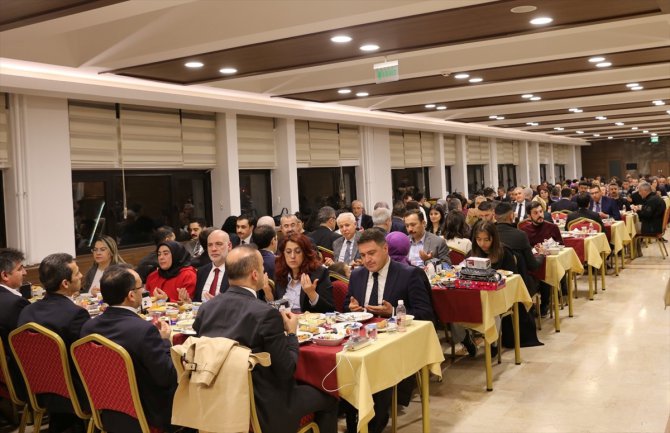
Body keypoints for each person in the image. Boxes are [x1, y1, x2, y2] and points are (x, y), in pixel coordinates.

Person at [193, 246, 338, 433]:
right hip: (262, 408)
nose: (265, 271)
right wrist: (292, 334)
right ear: (255, 275)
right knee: (330, 395)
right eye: (262, 268)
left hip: (216, 401)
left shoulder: (206, 308)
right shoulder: (265, 314)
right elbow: (286, 370)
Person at [344, 229, 434, 433]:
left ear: (385, 249)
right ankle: (352, 418)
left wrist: (393, 312)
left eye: (372, 253)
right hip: (362, 341)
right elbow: (346, 307)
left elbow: (426, 315)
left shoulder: (409, 274)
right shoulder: (357, 275)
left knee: (378, 367)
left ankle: (373, 423)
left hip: (396, 343)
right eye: (363, 255)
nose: (367, 260)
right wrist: (352, 309)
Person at [80, 265, 176, 432]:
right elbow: (166, 377)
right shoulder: (143, 330)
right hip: (146, 415)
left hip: (106, 412)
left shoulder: (88, 328)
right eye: (140, 287)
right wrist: (165, 342)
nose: (143, 290)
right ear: (131, 295)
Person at [18, 253, 90, 433]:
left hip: (37, 390)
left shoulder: (27, 311)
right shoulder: (75, 315)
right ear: (65, 283)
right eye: (77, 273)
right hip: (73, 394)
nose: (81, 276)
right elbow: (86, 361)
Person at [274, 233, 334, 313]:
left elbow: (329, 310)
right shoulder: (280, 273)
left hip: (306, 320)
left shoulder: (319, 273)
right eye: (288, 252)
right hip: (284, 318)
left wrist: (311, 294)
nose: (292, 256)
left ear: (305, 254)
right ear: (283, 254)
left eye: (298, 252)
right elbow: (277, 304)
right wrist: (268, 295)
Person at [0, 248, 30, 400]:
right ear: (5, 275)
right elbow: (32, 342)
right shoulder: (15, 304)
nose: (25, 272)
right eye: (20, 269)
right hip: (21, 377)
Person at [193, 230, 231, 302]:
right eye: (210, 245)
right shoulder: (201, 271)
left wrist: (219, 303)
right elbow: (197, 300)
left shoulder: (237, 271)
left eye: (219, 244)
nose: (213, 249)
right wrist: (189, 302)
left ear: (229, 246)